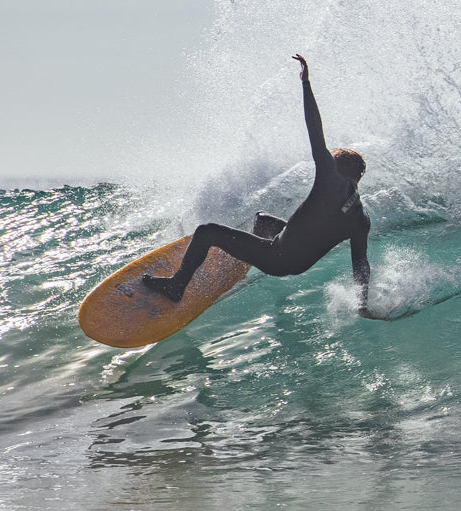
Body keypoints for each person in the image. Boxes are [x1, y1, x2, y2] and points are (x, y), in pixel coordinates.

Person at [144, 54, 382, 319]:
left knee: (206, 231)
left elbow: (315, 129)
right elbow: (361, 263)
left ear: (337, 166)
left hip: (277, 257)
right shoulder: (361, 218)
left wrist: (306, 84)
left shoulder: (330, 177)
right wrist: (362, 304)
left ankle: (177, 285)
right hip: (297, 263)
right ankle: (247, 251)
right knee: (262, 220)